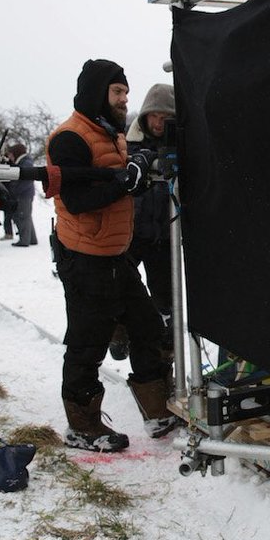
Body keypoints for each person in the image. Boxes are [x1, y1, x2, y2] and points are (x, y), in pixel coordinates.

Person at [47, 58, 178, 452]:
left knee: (148, 329)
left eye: (125, 92)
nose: (124, 99)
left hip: (116, 253)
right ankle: (83, 425)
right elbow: (77, 198)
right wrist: (126, 183)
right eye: (117, 92)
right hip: (84, 255)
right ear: (97, 93)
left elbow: (124, 181)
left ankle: (159, 410)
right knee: (88, 341)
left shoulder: (113, 134)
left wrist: (135, 168)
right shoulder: (70, 137)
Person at [108, 83, 176, 361]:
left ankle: (164, 361)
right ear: (145, 115)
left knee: (166, 301)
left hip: (165, 234)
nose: (159, 123)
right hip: (131, 232)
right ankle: (120, 329)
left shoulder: (181, 145)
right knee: (119, 286)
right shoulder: (126, 143)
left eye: (165, 117)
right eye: (154, 115)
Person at [5, 143, 38, 247]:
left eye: (11, 154)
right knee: (26, 216)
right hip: (26, 194)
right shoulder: (25, 162)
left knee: (23, 216)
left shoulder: (25, 163)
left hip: (23, 194)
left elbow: (23, 179)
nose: (10, 157)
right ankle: (31, 239)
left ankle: (24, 241)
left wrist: (13, 191)